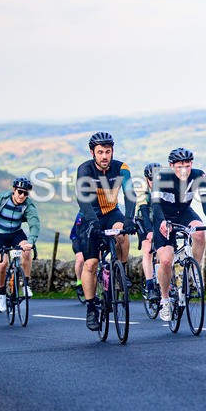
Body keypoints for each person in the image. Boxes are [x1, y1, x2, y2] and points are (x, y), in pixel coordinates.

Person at [75, 132, 137, 331]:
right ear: (93, 152)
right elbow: (83, 199)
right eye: (100, 152)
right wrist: (93, 223)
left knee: (121, 233)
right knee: (91, 264)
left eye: (107, 152)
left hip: (111, 213)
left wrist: (129, 219)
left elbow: (129, 193)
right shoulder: (85, 169)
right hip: (90, 217)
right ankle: (91, 307)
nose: (104, 156)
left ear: (112, 152)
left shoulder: (121, 168)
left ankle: (121, 272)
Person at [150, 148, 206, 321]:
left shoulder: (198, 176)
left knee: (200, 233)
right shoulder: (162, 177)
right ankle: (165, 300)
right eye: (180, 166)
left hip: (184, 213)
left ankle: (194, 270)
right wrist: (163, 222)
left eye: (188, 166)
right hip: (163, 218)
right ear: (171, 166)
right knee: (165, 260)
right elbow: (156, 204)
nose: (184, 170)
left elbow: (205, 200)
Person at [0, 177, 41, 313]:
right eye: (20, 192)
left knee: (27, 250)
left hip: (16, 234)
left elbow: (34, 223)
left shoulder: (28, 205)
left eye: (25, 193)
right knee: (3, 263)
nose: (22, 195)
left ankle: (26, 285)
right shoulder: (1, 199)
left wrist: (31, 241)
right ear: (14, 190)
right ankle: (1, 293)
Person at [135, 162, 162, 302]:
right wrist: (149, 232)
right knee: (148, 249)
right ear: (147, 179)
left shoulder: (165, 190)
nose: (154, 182)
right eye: (151, 179)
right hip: (144, 220)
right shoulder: (142, 191)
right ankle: (150, 286)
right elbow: (145, 214)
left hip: (159, 220)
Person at [70, 212, 84, 297]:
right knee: (80, 259)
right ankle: (79, 282)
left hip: (91, 238)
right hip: (77, 239)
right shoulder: (81, 214)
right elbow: (78, 230)